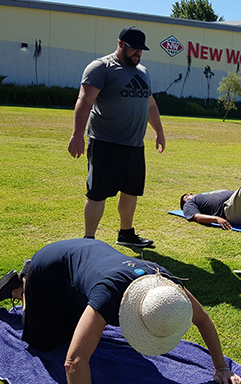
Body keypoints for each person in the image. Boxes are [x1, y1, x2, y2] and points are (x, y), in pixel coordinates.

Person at [0, 239, 241, 384]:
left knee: (72, 326)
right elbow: (73, 363)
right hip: (50, 267)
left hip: (88, 259)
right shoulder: (109, 293)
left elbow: (203, 319)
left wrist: (220, 367)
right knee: (45, 343)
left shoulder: (166, 285)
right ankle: (22, 285)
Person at [68, 26, 165, 248]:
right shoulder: (102, 68)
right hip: (105, 142)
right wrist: (77, 135)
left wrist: (159, 132)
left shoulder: (143, 71)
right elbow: (84, 101)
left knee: (131, 191)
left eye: (141, 50)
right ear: (121, 44)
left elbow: (150, 104)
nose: (138, 54)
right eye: (134, 49)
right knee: (97, 193)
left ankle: (126, 234)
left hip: (134, 144)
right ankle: (89, 239)